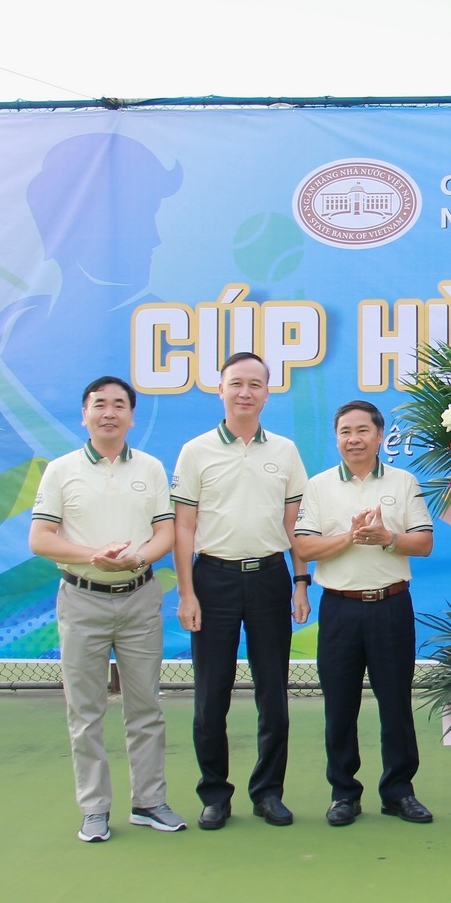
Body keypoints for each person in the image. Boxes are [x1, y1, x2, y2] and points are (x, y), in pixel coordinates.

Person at [28, 375, 185, 842]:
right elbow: (41, 539)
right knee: (85, 711)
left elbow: (166, 532)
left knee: (146, 707)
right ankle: (94, 808)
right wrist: (93, 556)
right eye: (100, 404)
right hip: (82, 600)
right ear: (85, 415)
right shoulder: (61, 470)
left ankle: (149, 802)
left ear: (132, 417)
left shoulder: (151, 468)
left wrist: (138, 558)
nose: (109, 413)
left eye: (119, 404)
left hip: (139, 597)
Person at [171, 352, 310, 830]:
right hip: (213, 580)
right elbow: (184, 527)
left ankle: (268, 792)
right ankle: (215, 794)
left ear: (267, 393)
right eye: (236, 383)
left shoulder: (285, 452)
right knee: (211, 694)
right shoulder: (196, 451)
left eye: (255, 384)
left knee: (274, 692)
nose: (245, 392)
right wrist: (187, 593)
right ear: (221, 390)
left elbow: (295, 524)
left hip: (270, 578)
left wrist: (300, 582)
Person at [293, 401, 435, 826]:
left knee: (396, 702)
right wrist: (351, 537)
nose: (353, 439)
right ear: (336, 438)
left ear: (379, 436)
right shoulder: (318, 486)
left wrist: (387, 538)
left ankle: (398, 791)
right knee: (339, 705)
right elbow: (304, 546)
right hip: (339, 609)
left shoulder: (403, 482)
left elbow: (424, 542)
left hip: (391, 606)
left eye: (362, 431)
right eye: (345, 432)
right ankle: (343, 793)